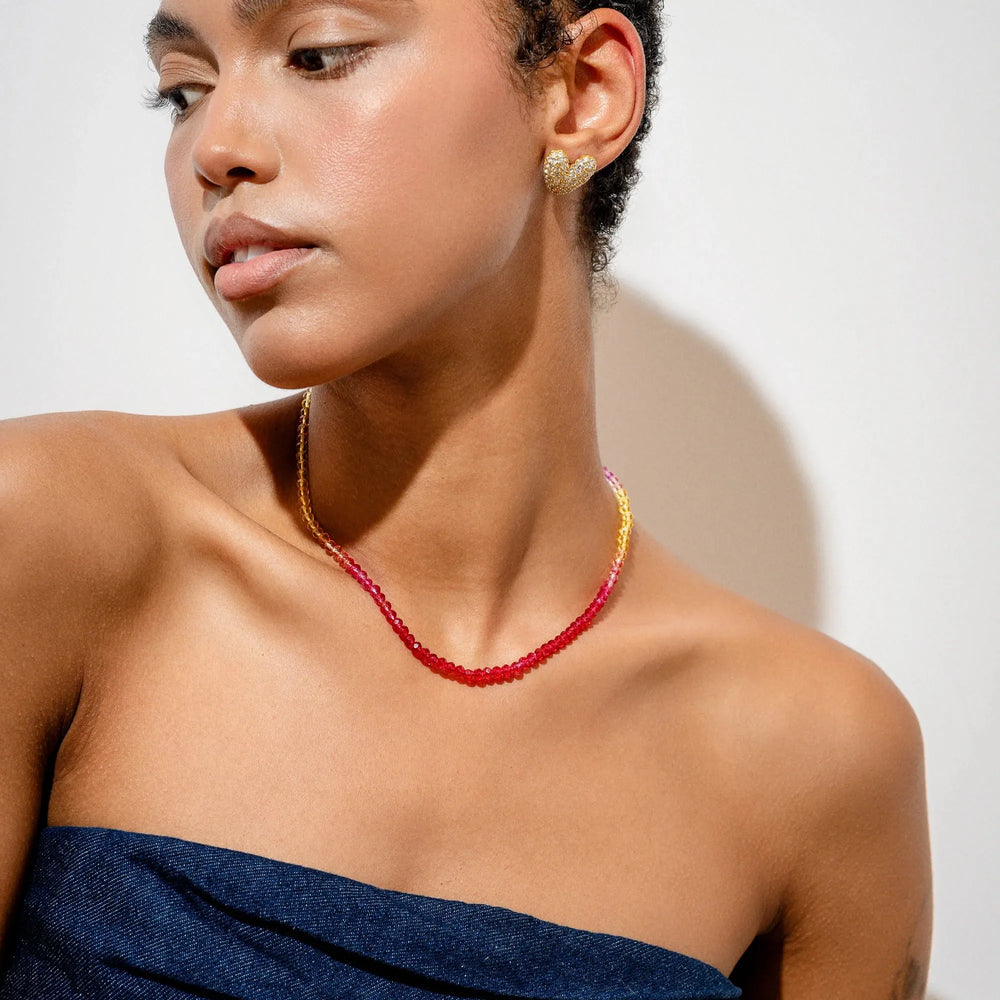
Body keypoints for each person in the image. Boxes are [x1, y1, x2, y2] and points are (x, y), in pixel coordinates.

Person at [0, 0, 931, 997]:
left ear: (581, 94)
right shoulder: (54, 534)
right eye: (183, 90)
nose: (214, 148)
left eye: (317, 56)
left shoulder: (818, 758)